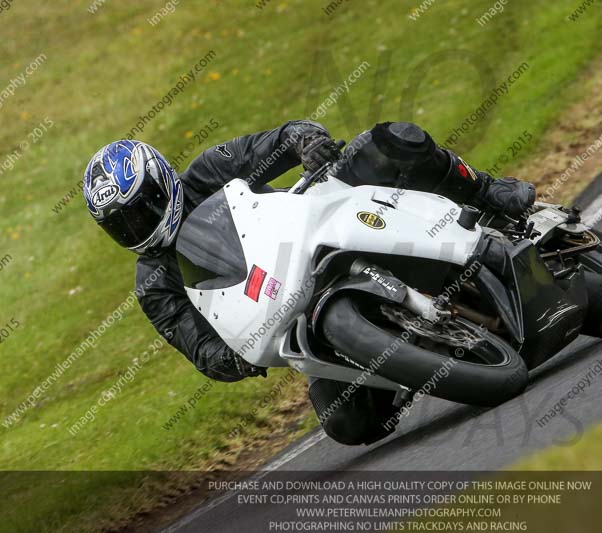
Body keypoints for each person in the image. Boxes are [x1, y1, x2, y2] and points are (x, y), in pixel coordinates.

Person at [82, 121, 536, 445]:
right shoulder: (154, 283)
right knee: (347, 426)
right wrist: (233, 358)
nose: (137, 227)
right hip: (292, 313)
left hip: (318, 227)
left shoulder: (207, 171)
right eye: (122, 225)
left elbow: (282, 138)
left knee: (391, 140)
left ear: (162, 182)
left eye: (142, 209)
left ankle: (486, 192)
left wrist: (309, 145)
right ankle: (410, 362)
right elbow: (197, 345)